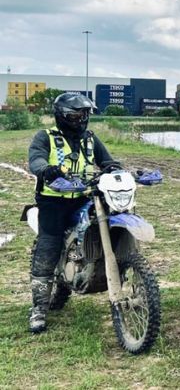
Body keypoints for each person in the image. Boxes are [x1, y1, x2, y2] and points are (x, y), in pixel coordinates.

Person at [27, 92, 120, 333]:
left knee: (107, 223)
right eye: (76, 114)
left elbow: (107, 161)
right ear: (62, 116)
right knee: (48, 245)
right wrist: (46, 170)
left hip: (84, 198)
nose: (81, 119)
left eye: (85, 114)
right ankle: (38, 308)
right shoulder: (45, 137)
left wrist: (115, 169)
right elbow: (35, 160)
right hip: (53, 202)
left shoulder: (90, 138)